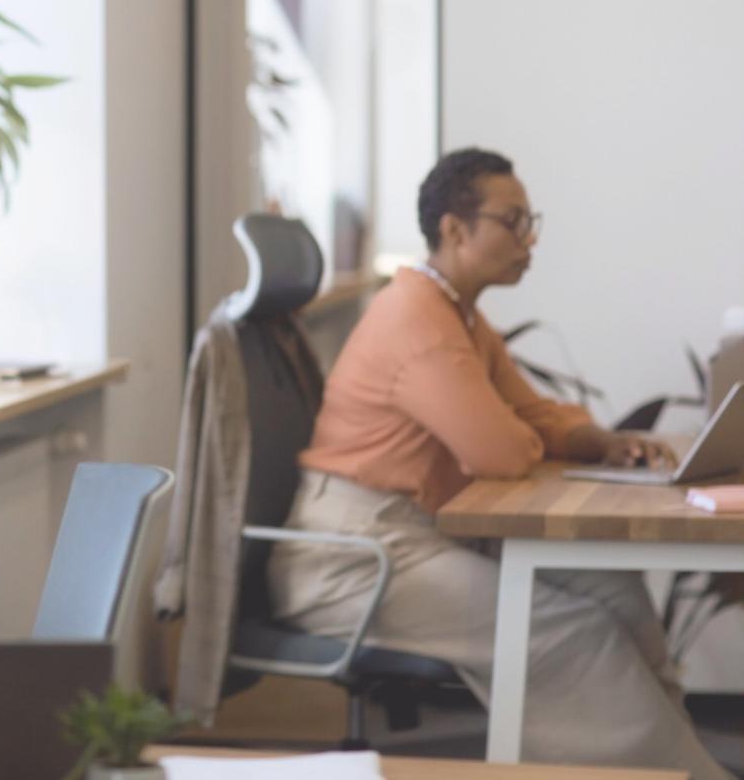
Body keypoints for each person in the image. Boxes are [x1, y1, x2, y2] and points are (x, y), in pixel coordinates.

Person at [267, 147, 728, 778]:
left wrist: (597, 441)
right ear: (455, 230)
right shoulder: (417, 322)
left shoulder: (455, 312)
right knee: (567, 631)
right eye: (513, 222)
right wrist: (531, 433)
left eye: (530, 220)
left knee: (612, 587)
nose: (528, 238)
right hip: (353, 559)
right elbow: (502, 452)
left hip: (414, 535)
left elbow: (529, 413)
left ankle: (670, 761)